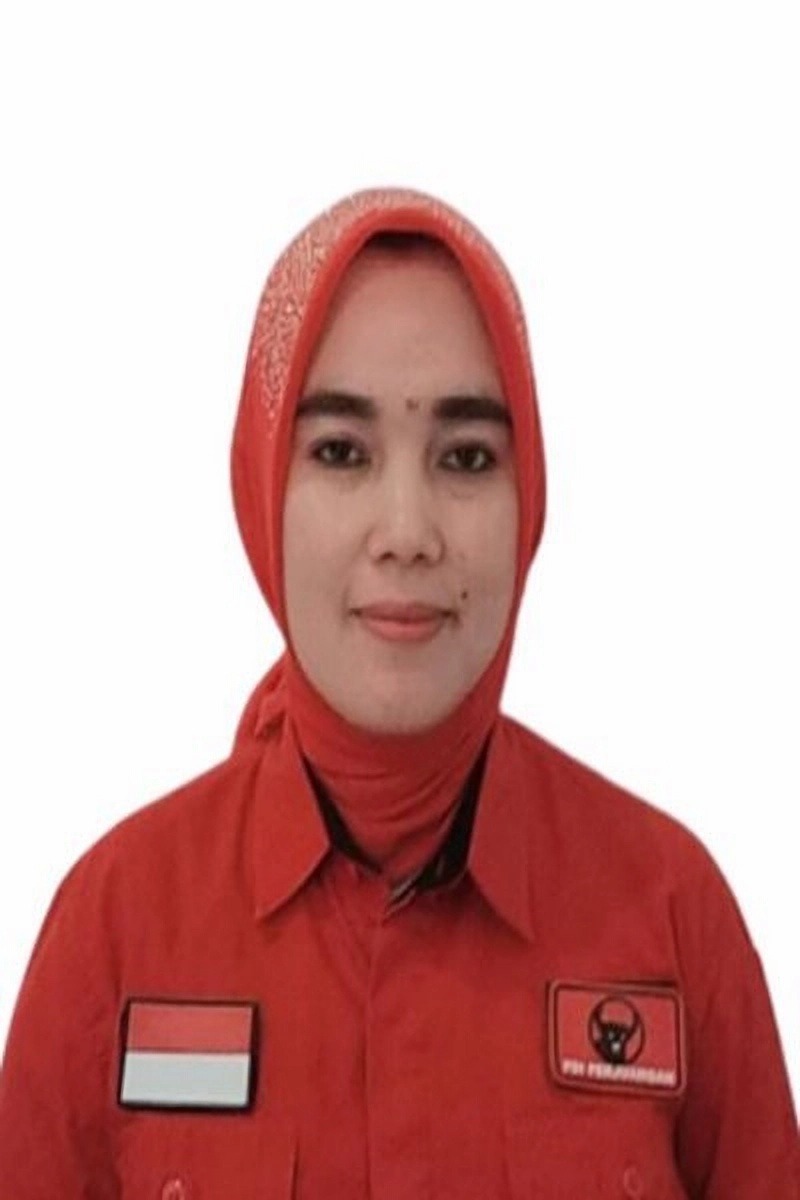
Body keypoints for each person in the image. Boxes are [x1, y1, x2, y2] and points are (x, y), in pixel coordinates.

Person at [0, 185, 797, 1198]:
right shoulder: (116, 926)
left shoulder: (670, 910)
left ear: (527, 500)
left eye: (466, 458)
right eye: (341, 452)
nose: (408, 530)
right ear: (261, 487)